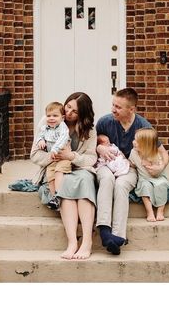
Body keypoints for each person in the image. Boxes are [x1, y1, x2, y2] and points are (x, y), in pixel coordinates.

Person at [95, 87, 169, 255]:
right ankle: (105, 230)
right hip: (106, 164)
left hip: (130, 167)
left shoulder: (143, 126)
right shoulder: (104, 122)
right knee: (107, 180)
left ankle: (118, 236)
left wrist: (161, 166)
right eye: (113, 105)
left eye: (118, 107)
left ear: (132, 109)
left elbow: (163, 152)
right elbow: (90, 143)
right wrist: (99, 147)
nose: (113, 109)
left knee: (121, 185)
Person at [30, 92, 97, 260]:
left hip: (79, 168)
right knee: (65, 187)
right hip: (55, 167)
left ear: (82, 114)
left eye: (74, 111)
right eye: (68, 107)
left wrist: (72, 156)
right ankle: (72, 242)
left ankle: (87, 241)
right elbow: (34, 155)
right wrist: (55, 157)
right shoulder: (48, 121)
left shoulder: (89, 130)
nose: (68, 113)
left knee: (85, 181)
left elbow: (91, 158)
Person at [34, 101, 72, 210]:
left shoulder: (63, 127)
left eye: (55, 116)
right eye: (48, 116)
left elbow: (63, 139)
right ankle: (54, 197)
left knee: (59, 171)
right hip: (52, 159)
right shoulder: (45, 127)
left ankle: (58, 194)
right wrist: (40, 140)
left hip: (62, 157)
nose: (51, 118)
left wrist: (55, 149)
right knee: (50, 175)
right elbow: (40, 136)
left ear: (62, 117)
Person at [129, 128, 169, 222]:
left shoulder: (154, 154)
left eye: (137, 141)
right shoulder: (133, 152)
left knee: (161, 186)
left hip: (157, 177)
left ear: (146, 145)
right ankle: (150, 212)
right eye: (134, 139)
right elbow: (132, 163)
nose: (133, 142)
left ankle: (160, 211)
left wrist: (152, 166)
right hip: (144, 179)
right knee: (145, 187)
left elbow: (158, 169)